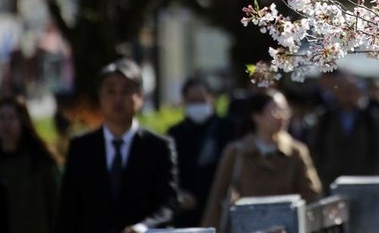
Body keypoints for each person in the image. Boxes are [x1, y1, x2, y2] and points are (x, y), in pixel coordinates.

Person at [55, 58, 178, 233]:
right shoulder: (81, 148)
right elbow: (67, 210)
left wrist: (144, 227)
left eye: (126, 91)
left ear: (140, 98)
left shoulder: (159, 147)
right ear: (100, 97)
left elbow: (168, 205)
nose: (118, 99)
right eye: (111, 91)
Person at [201, 89, 322, 231]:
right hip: (249, 227)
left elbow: (312, 195)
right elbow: (218, 198)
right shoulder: (237, 152)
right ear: (257, 116)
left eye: (285, 110)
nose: (282, 116)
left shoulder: (296, 152)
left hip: (288, 227)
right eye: (275, 111)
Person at [307, 71, 379, 192]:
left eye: (352, 91)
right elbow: (316, 147)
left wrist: (376, 170)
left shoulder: (369, 117)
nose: (348, 95)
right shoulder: (326, 117)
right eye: (344, 91)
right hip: (332, 178)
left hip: (363, 178)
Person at [167, 76, 234, 227]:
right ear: (184, 101)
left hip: (220, 207)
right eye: (193, 101)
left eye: (202, 100)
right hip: (187, 212)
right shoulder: (175, 133)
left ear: (211, 99)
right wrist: (178, 194)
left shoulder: (227, 129)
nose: (198, 106)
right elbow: (167, 171)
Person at [0, 95, 60, 233]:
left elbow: (55, 208)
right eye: (1, 118)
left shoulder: (39, 162)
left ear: (22, 122)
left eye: (11, 118)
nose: (6, 124)